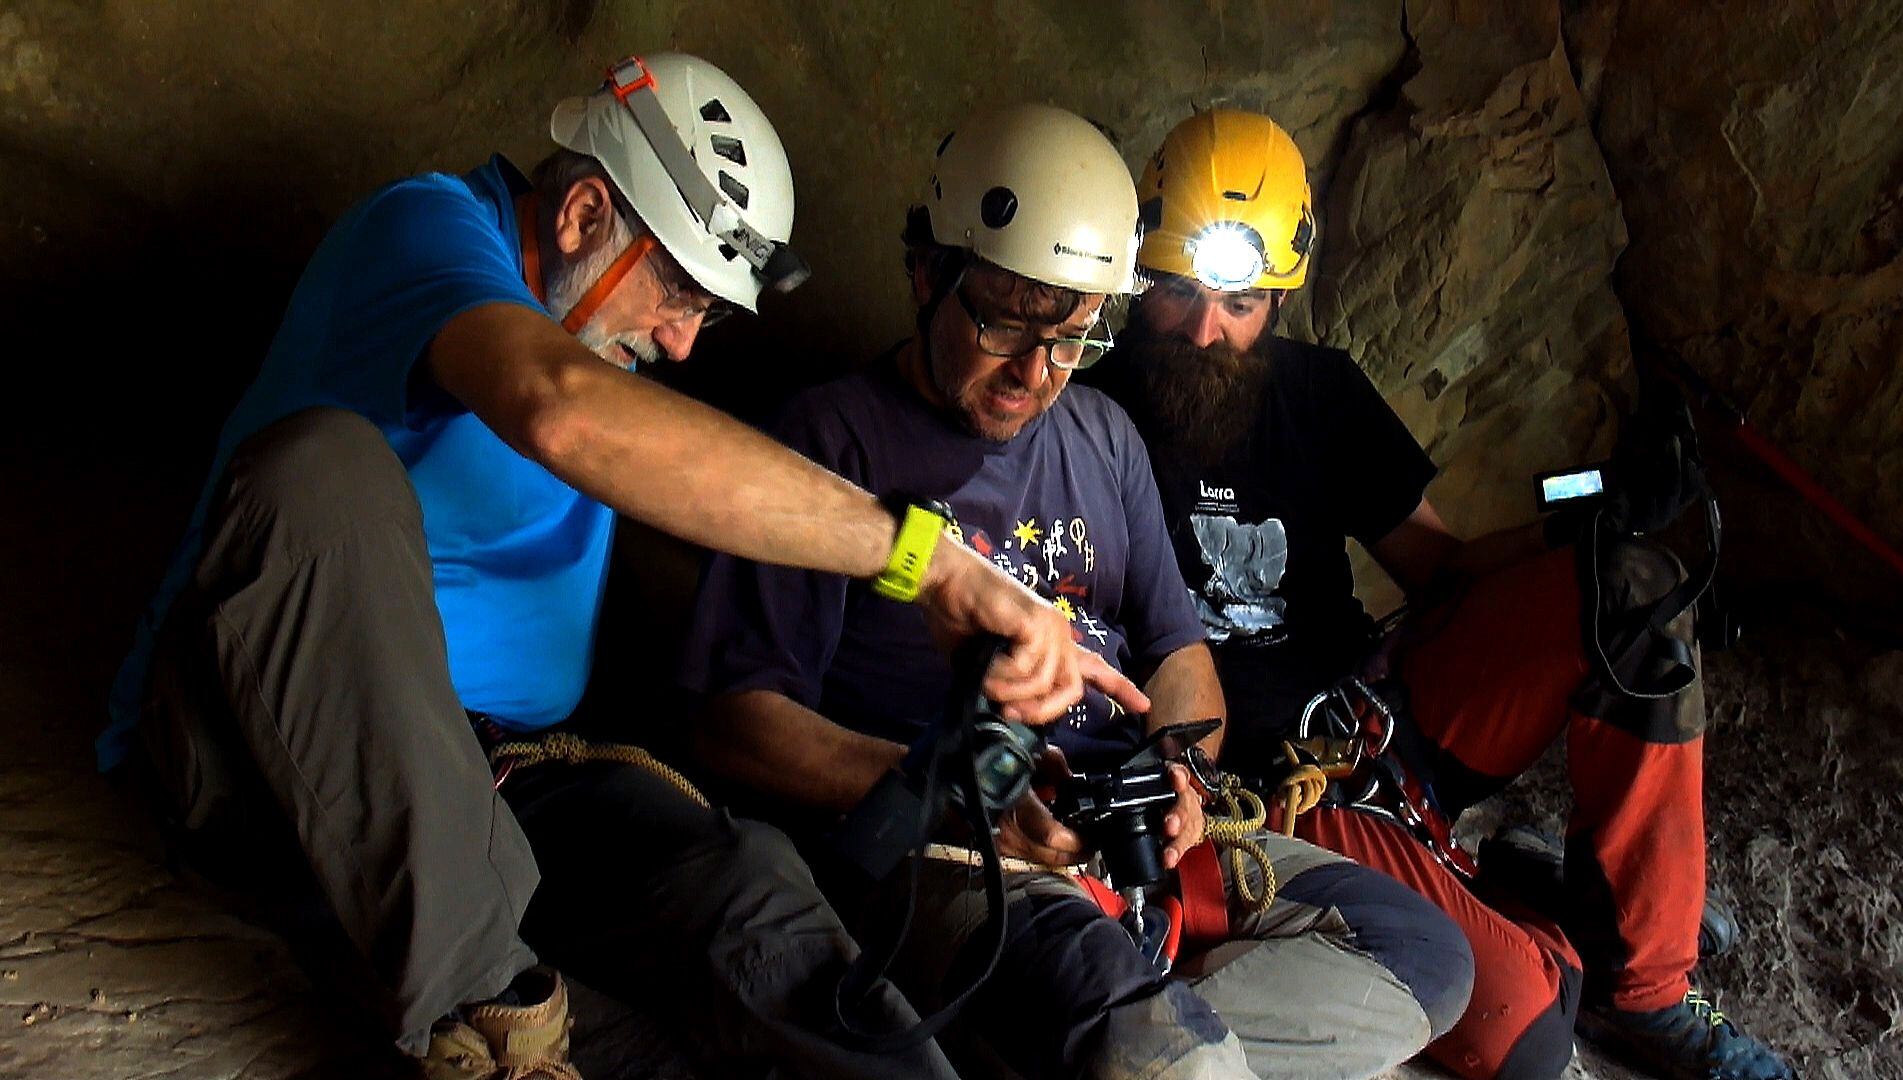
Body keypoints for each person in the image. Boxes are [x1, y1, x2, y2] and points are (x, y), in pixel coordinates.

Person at [103, 54, 1143, 1080]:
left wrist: (936, 786)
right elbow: (557, 410)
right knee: (314, 466)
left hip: (501, 781)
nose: (685, 344)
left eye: (709, 314)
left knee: (743, 888)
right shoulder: (426, 229)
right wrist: (927, 560)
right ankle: (497, 1019)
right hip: (275, 747)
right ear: (582, 214)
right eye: (680, 295)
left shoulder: (601, 349)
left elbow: (686, 482)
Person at [682, 101, 1474, 1080]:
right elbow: (731, 722)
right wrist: (948, 794)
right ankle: (1140, 1046)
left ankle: (1132, 1046)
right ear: (927, 271)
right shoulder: (827, 446)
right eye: (1005, 323)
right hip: (962, 850)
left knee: (1428, 959)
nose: (1033, 373)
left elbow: (1181, 657)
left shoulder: (1103, 435)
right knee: (1157, 1053)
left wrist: (1181, 773)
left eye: (1073, 340)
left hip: (1123, 819)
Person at [1086, 108, 1798, 1080]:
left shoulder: (1319, 392)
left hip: (1376, 717)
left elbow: (1441, 568)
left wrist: (1592, 510)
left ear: (1281, 298)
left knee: (1630, 591)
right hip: (1255, 794)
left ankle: (1651, 994)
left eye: (1240, 302)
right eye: (1177, 292)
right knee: (1529, 1027)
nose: (1207, 329)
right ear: (1137, 277)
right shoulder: (1086, 415)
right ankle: (1528, 898)